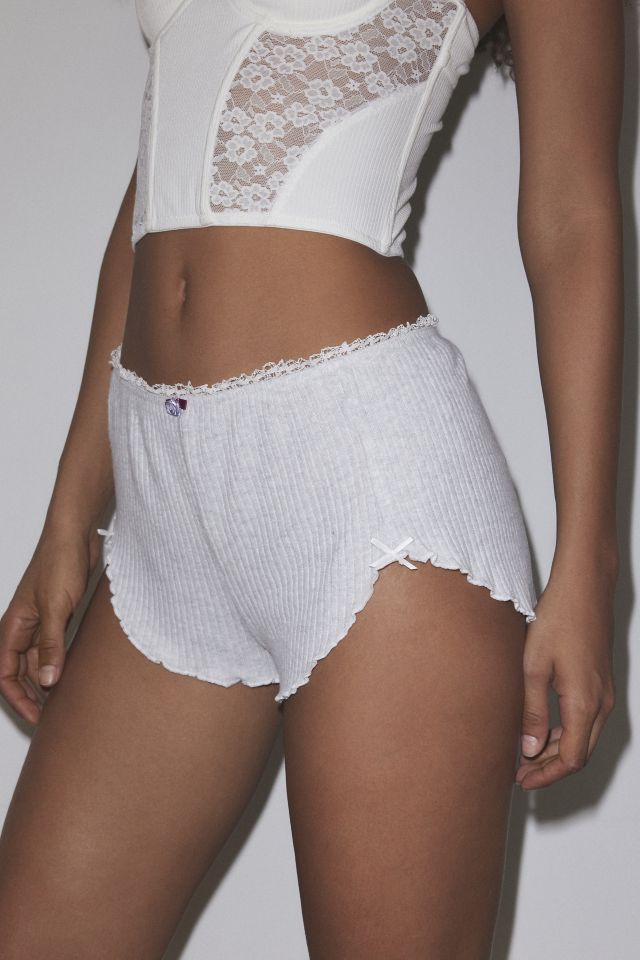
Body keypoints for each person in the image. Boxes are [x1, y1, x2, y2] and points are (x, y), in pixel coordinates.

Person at [0, 0, 623, 956]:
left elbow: (574, 217)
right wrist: (70, 513)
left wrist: (590, 569)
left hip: (373, 503)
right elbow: (158, 192)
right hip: (165, 505)